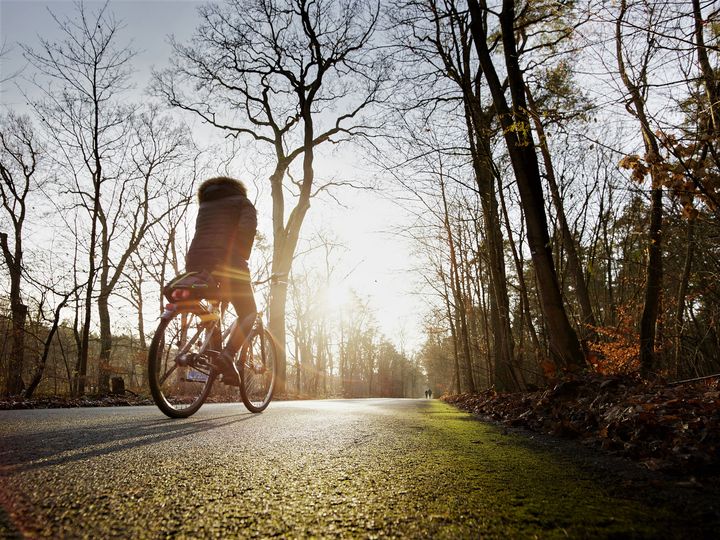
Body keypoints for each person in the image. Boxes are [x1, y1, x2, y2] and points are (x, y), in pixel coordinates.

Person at [184, 176, 258, 383]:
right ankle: (227, 356)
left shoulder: (206, 205)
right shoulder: (242, 202)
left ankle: (219, 360)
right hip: (228, 260)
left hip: (196, 261)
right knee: (249, 312)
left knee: (214, 309)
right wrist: (241, 257)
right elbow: (247, 229)